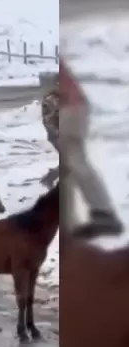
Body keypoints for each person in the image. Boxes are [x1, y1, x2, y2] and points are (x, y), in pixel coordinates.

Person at [59, 59, 122, 233]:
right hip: (71, 106)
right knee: (67, 167)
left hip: (70, 108)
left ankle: (103, 212)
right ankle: (68, 221)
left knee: (74, 160)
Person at [40, 72, 59, 188]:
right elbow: (47, 120)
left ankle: (50, 178)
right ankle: (49, 178)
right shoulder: (50, 100)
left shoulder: (59, 98)